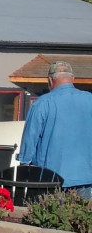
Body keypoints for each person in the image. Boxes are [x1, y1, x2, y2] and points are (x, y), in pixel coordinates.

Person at [18, 60, 92, 196]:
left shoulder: (42, 103)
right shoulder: (89, 99)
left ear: (50, 81)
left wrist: (24, 163)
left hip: (51, 177)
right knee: (81, 210)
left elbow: (30, 137)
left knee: (51, 210)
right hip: (85, 176)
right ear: (73, 79)